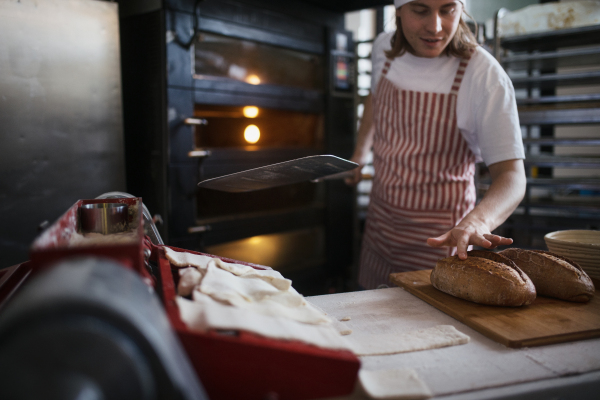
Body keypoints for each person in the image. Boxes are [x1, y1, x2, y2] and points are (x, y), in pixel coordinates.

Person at [346, 0, 526, 289]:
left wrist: (478, 221)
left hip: (441, 241)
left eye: (447, 9)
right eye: (420, 10)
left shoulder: (484, 76)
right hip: (380, 227)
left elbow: (512, 177)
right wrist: (360, 153)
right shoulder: (383, 49)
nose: (435, 26)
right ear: (399, 11)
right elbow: (375, 97)